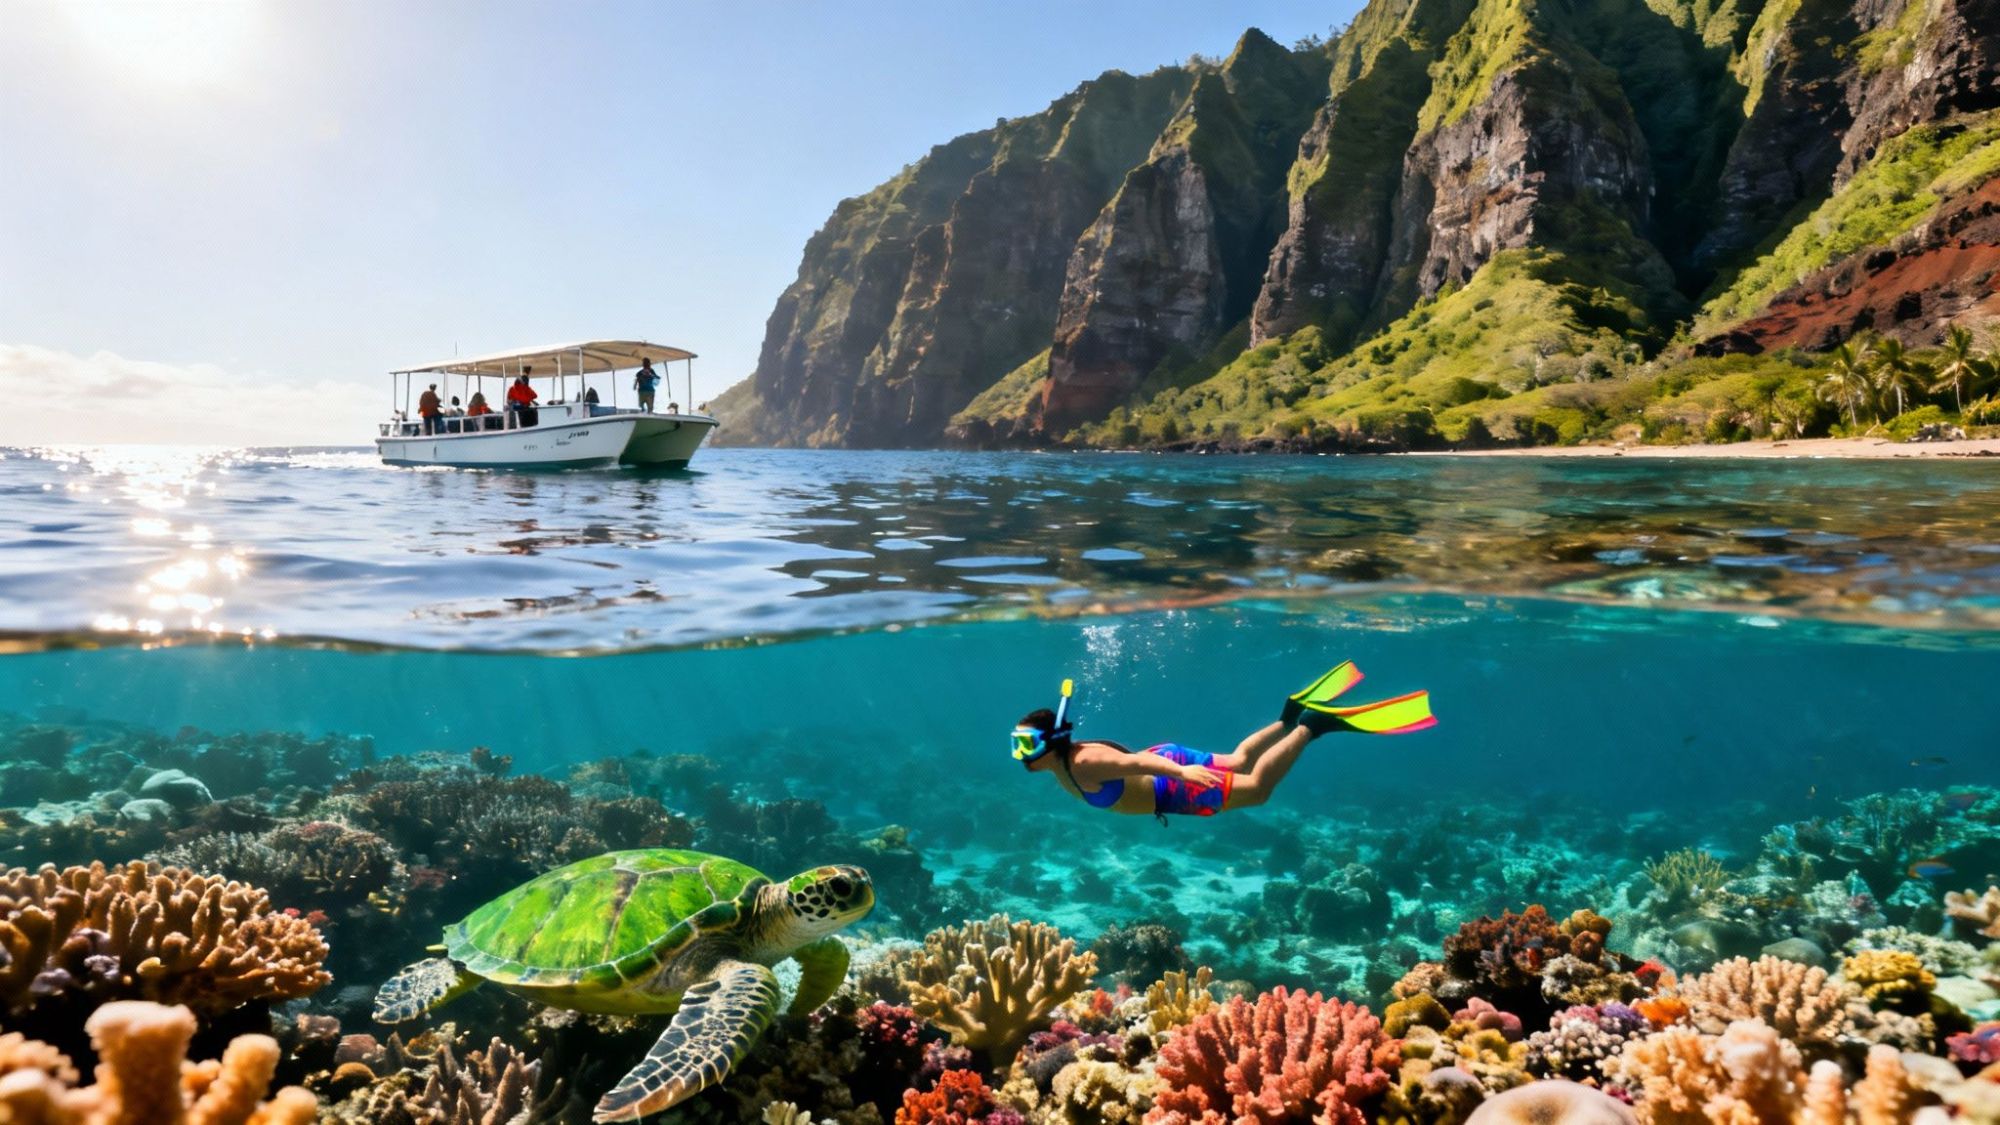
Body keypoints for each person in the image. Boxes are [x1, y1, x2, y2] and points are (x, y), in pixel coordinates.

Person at [1012, 662, 1434, 821]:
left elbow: (1138, 765)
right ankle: (1288, 717)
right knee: (1237, 759)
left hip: (1171, 781)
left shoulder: (1085, 763)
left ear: (1050, 744)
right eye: (1018, 745)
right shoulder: (1061, 762)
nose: (1020, 755)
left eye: (1027, 745)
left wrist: (1181, 772)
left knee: (1258, 791)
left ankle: (1311, 726)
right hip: (1169, 768)